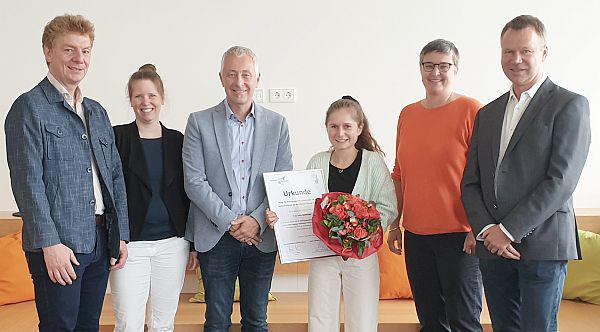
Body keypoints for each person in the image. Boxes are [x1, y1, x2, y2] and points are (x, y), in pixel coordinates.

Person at [461, 15, 591, 332]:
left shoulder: (569, 105)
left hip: (543, 246)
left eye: (525, 51)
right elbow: (470, 182)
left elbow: (561, 181)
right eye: (508, 51)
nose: (515, 59)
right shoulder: (487, 113)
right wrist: (488, 230)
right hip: (492, 248)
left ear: (544, 52)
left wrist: (508, 229)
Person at [4, 14, 129, 331]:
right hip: (59, 248)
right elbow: (27, 183)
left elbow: (114, 178)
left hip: (100, 242)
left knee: (89, 326)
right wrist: (50, 244)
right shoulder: (29, 108)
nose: (79, 59)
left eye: (85, 51)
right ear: (48, 51)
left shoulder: (96, 111)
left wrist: (120, 235)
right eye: (69, 50)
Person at [183, 46, 293, 332]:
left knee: (256, 322)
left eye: (246, 74)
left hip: (261, 238)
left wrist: (255, 221)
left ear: (258, 78)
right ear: (221, 78)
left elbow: (283, 179)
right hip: (216, 236)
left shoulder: (277, 124)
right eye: (232, 74)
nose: (239, 81)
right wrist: (233, 223)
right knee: (217, 322)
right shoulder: (199, 121)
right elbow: (194, 182)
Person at [266, 96, 397, 332]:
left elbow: (388, 207)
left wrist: (360, 233)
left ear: (359, 128)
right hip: (322, 255)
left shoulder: (373, 163)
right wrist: (279, 216)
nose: (340, 133)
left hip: (361, 255)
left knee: (363, 320)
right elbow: (303, 208)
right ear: (326, 127)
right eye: (333, 126)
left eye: (347, 126)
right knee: (320, 319)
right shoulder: (317, 161)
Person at [387, 39, 484, 332]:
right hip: (416, 236)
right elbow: (399, 173)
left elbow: (484, 174)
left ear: (456, 69)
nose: (436, 72)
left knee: (464, 321)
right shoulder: (407, 114)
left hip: (460, 236)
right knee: (430, 321)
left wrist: (475, 228)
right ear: (420, 69)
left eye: (444, 66)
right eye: (429, 65)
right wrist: (395, 223)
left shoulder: (472, 110)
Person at [110, 64, 197, 331]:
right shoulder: (117, 137)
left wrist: (192, 244)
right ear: (131, 101)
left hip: (172, 245)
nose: (145, 102)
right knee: (128, 323)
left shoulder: (177, 140)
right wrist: (114, 239)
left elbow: (189, 194)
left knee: (163, 323)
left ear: (162, 98)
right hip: (130, 247)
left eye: (151, 96)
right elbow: (108, 191)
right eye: (138, 96)